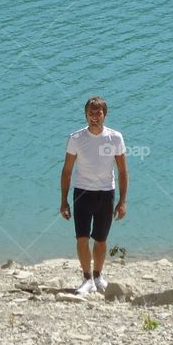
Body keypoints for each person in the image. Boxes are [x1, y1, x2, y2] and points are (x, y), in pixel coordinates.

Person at [59, 96, 128, 295]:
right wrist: (63, 201)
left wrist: (122, 202)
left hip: (106, 193)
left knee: (100, 239)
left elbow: (123, 171)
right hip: (82, 193)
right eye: (91, 113)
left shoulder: (115, 137)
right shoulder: (76, 138)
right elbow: (67, 171)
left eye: (98, 113)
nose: (94, 116)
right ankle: (86, 278)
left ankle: (98, 276)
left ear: (105, 115)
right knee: (81, 237)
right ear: (86, 115)